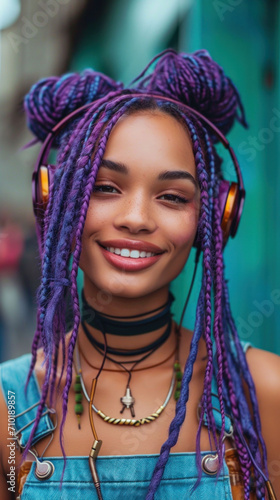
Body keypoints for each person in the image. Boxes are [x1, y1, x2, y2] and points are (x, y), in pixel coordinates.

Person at [0, 49, 279, 500]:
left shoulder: (265, 393)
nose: (135, 218)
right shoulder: (9, 407)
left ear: (216, 218)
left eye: (172, 197)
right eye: (105, 188)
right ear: (54, 204)